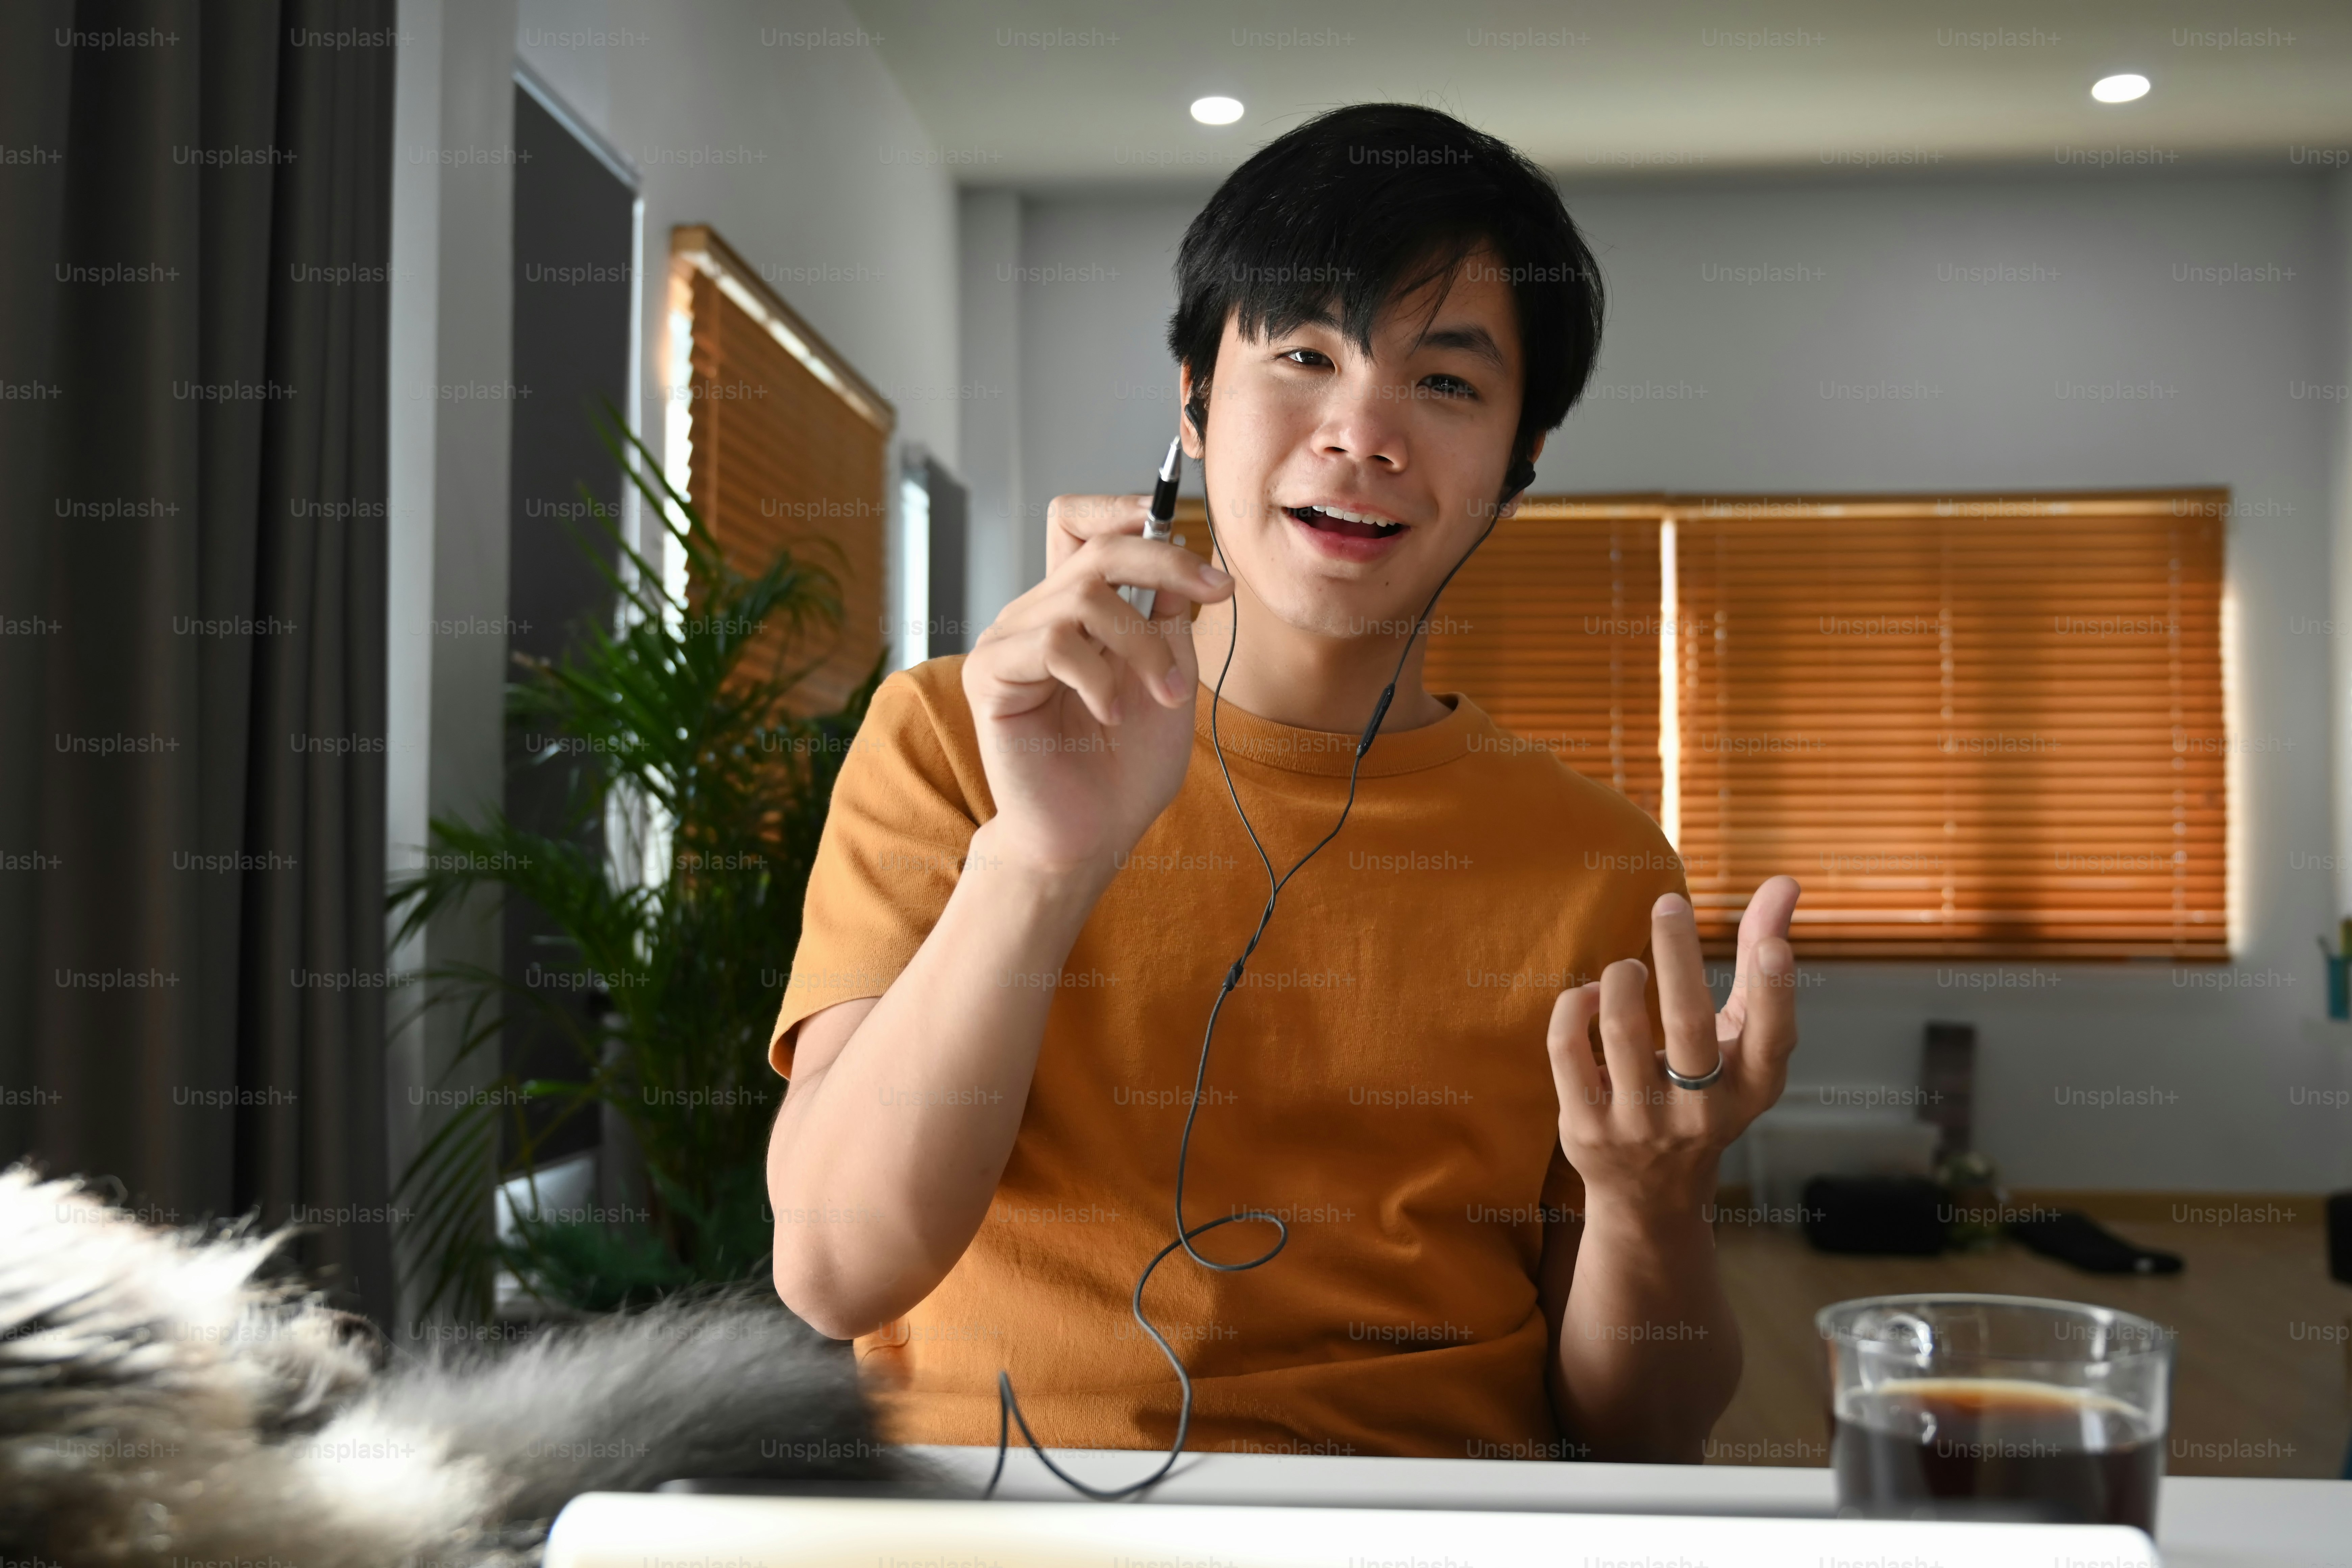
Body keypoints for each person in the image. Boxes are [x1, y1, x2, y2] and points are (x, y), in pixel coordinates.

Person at [765, 102, 1803, 1465]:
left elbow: (1641, 1435)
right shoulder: (953, 739)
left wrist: (1651, 1200)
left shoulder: (1600, 866)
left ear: (1518, 467)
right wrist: (1040, 858)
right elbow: (837, 1273)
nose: (1363, 432)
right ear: (1193, 400)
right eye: (1304, 353)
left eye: (1446, 383)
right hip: (1004, 1515)